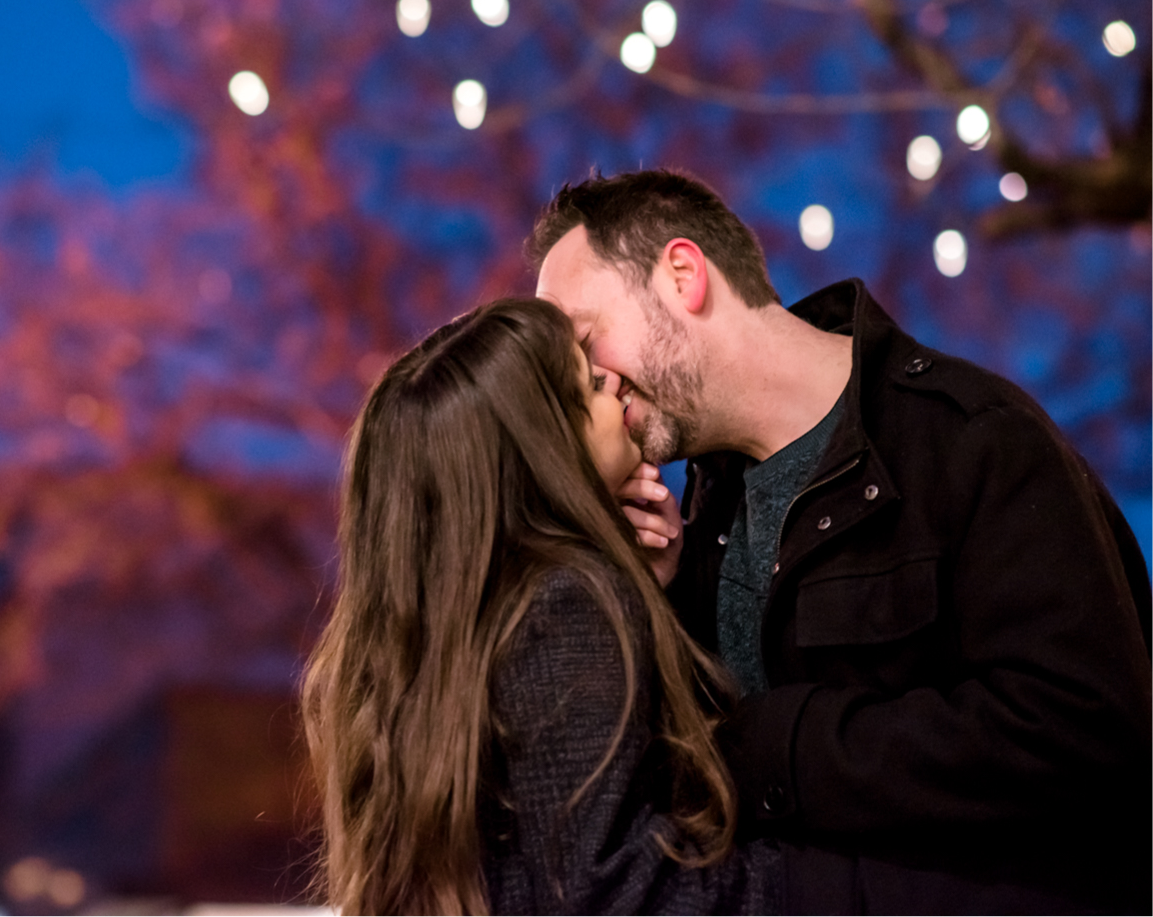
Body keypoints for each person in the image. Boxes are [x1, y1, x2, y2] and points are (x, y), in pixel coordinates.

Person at [530, 168, 1153, 914]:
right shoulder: (705, 509)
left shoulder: (970, 441)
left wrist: (773, 747)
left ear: (683, 275)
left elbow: (1085, 731)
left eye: (585, 341)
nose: (585, 384)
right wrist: (659, 604)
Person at [301, 297, 779, 915]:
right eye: (591, 384)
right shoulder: (568, 606)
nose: (619, 388)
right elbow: (619, 892)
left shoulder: (456, 636)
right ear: (546, 447)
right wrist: (842, 886)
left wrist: (651, 591)